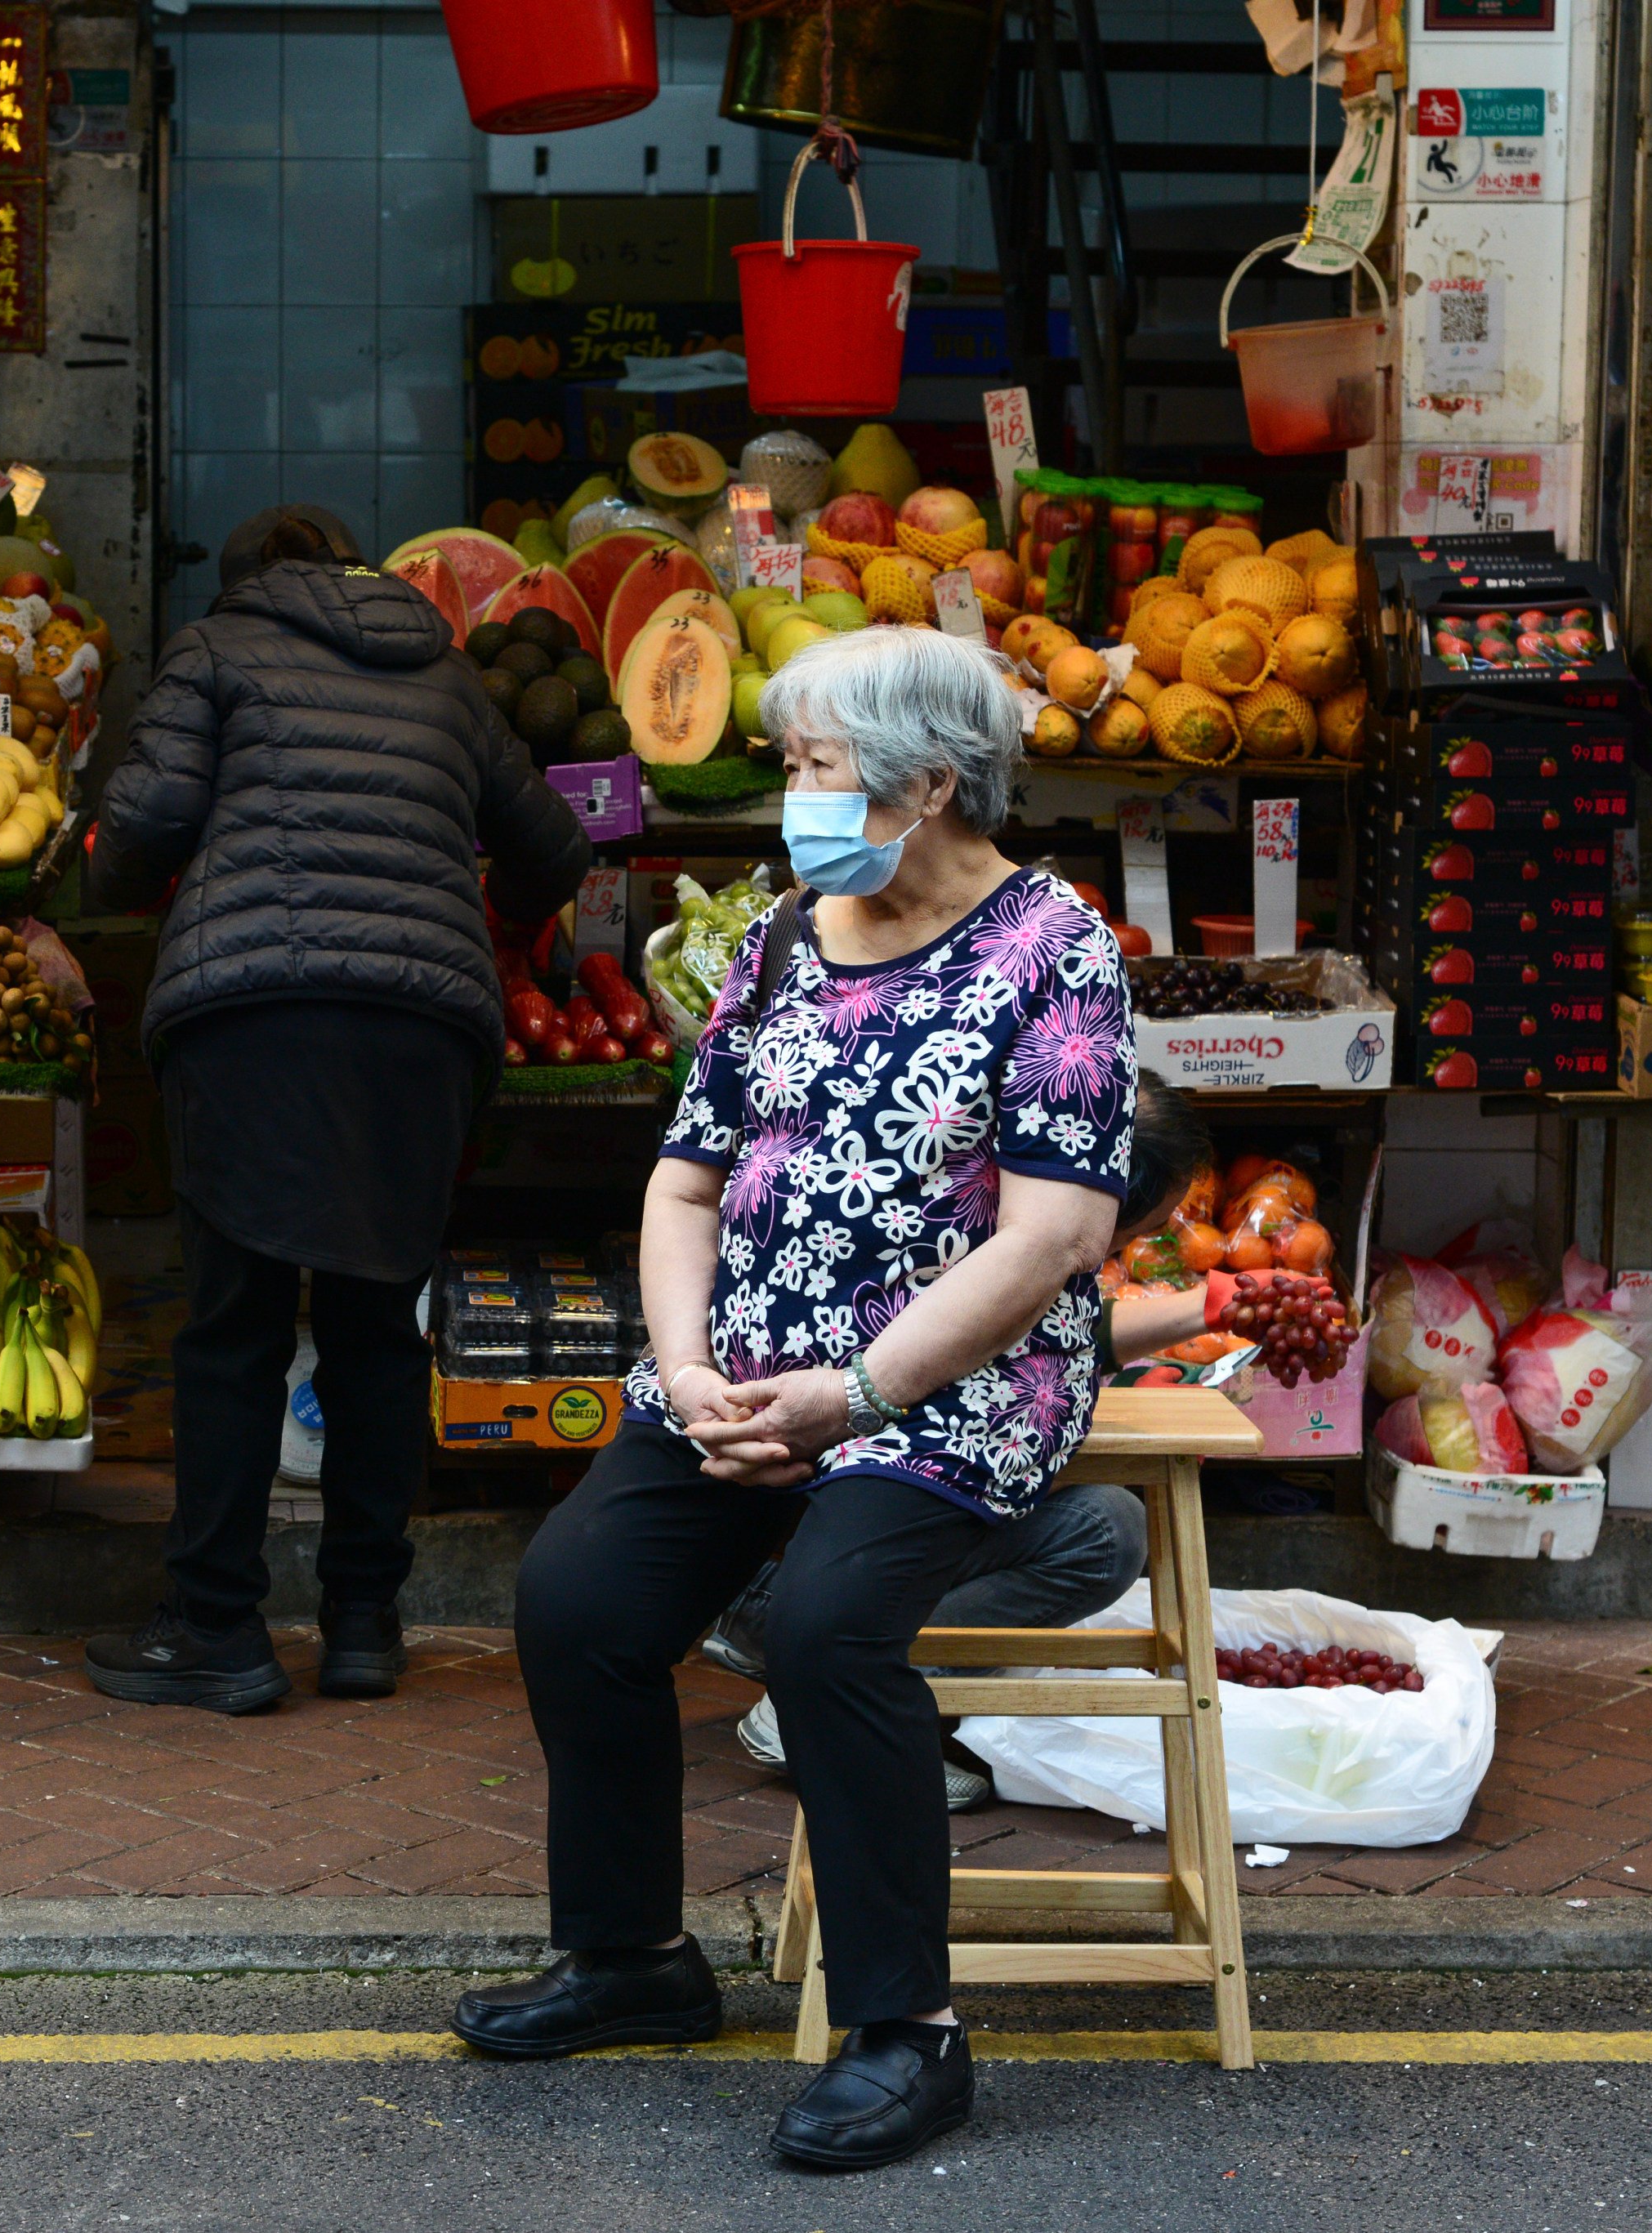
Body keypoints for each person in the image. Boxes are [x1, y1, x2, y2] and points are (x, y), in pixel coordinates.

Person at [452, 623, 1139, 2173]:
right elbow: (685, 1185)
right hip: (744, 1362)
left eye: (820, 766)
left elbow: (1057, 1233)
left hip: (948, 1386)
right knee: (577, 1598)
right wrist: (688, 1366)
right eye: (795, 762)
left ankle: (908, 2032)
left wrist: (856, 1392)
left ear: (931, 785)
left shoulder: (1056, 949)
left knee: (829, 1623)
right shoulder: (779, 937)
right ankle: (632, 1957)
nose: (794, 795)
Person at [81, 504, 592, 1715]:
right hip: (419, 1028)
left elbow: (142, 821)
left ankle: (217, 1624)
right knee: (375, 1323)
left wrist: (111, 891)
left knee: (232, 1326)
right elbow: (554, 852)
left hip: (251, 1011)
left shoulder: (214, 647)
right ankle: (364, 1624)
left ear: (249, 581)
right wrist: (491, 909)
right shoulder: (449, 675)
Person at [710, 1083, 1216, 1793]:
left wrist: (1203, 1309)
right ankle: (831, 1697)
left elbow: (1053, 1332)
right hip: (792, 1558)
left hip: (784, 1549)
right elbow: (993, 1355)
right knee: (1103, 1532)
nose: (1123, 1248)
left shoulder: (964, 1189)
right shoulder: (1000, 1248)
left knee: (1089, 1516)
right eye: (1132, 1235)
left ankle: (827, 1670)